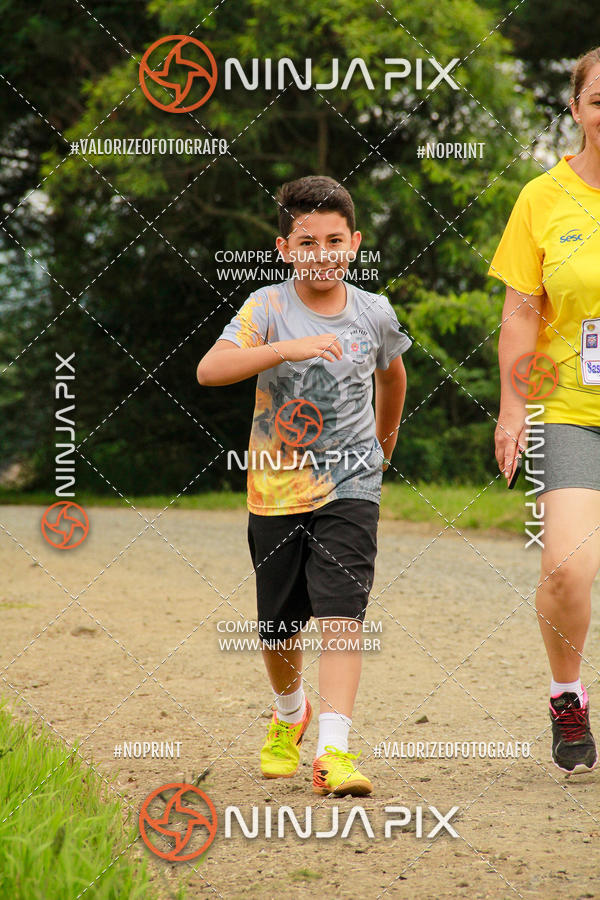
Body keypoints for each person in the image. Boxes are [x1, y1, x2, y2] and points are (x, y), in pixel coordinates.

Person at [197, 175, 410, 795]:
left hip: (351, 485)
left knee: (344, 612)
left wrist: (382, 446)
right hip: (278, 489)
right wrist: (282, 350)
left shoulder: (374, 312)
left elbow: (392, 380)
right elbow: (211, 369)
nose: (322, 252)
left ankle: (334, 752)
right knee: (277, 627)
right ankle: (291, 714)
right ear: (286, 248)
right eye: (307, 241)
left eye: (334, 240)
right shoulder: (265, 308)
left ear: (355, 243)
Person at [490, 48, 600, 774]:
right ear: (576, 109)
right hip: (570, 406)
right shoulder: (542, 198)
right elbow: (522, 312)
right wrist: (511, 408)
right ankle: (568, 695)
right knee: (566, 567)